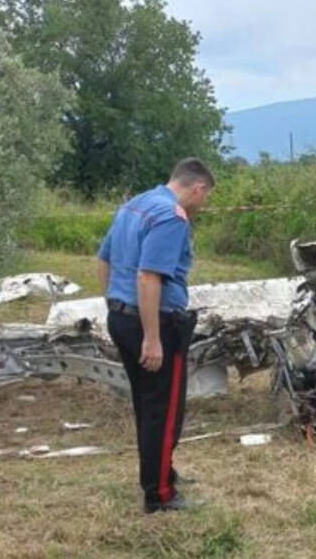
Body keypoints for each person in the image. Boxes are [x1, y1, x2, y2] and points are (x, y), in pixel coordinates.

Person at [97, 158, 214, 513]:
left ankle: (162, 472)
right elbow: (149, 277)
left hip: (123, 318)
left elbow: (104, 260)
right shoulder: (170, 217)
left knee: (147, 405)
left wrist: (116, 305)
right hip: (157, 324)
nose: (202, 206)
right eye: (205, 198)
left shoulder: (134, 206)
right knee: (163, 413)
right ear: (198, 188)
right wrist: (151, 337)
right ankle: (160, 494)